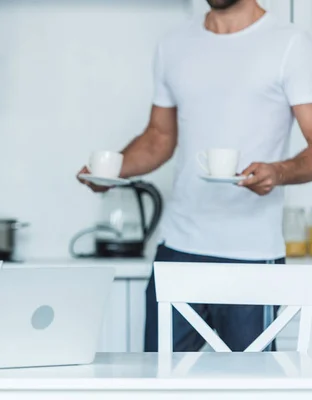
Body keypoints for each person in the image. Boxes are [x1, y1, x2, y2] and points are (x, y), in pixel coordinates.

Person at [77, 0, 312, 352]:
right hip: (177, 252)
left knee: (250, 388)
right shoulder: (173, 44)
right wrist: (110, 171)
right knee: (160, 382)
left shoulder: (290, 44)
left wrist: (277, 172)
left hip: (252, 257)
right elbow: (159, 137)